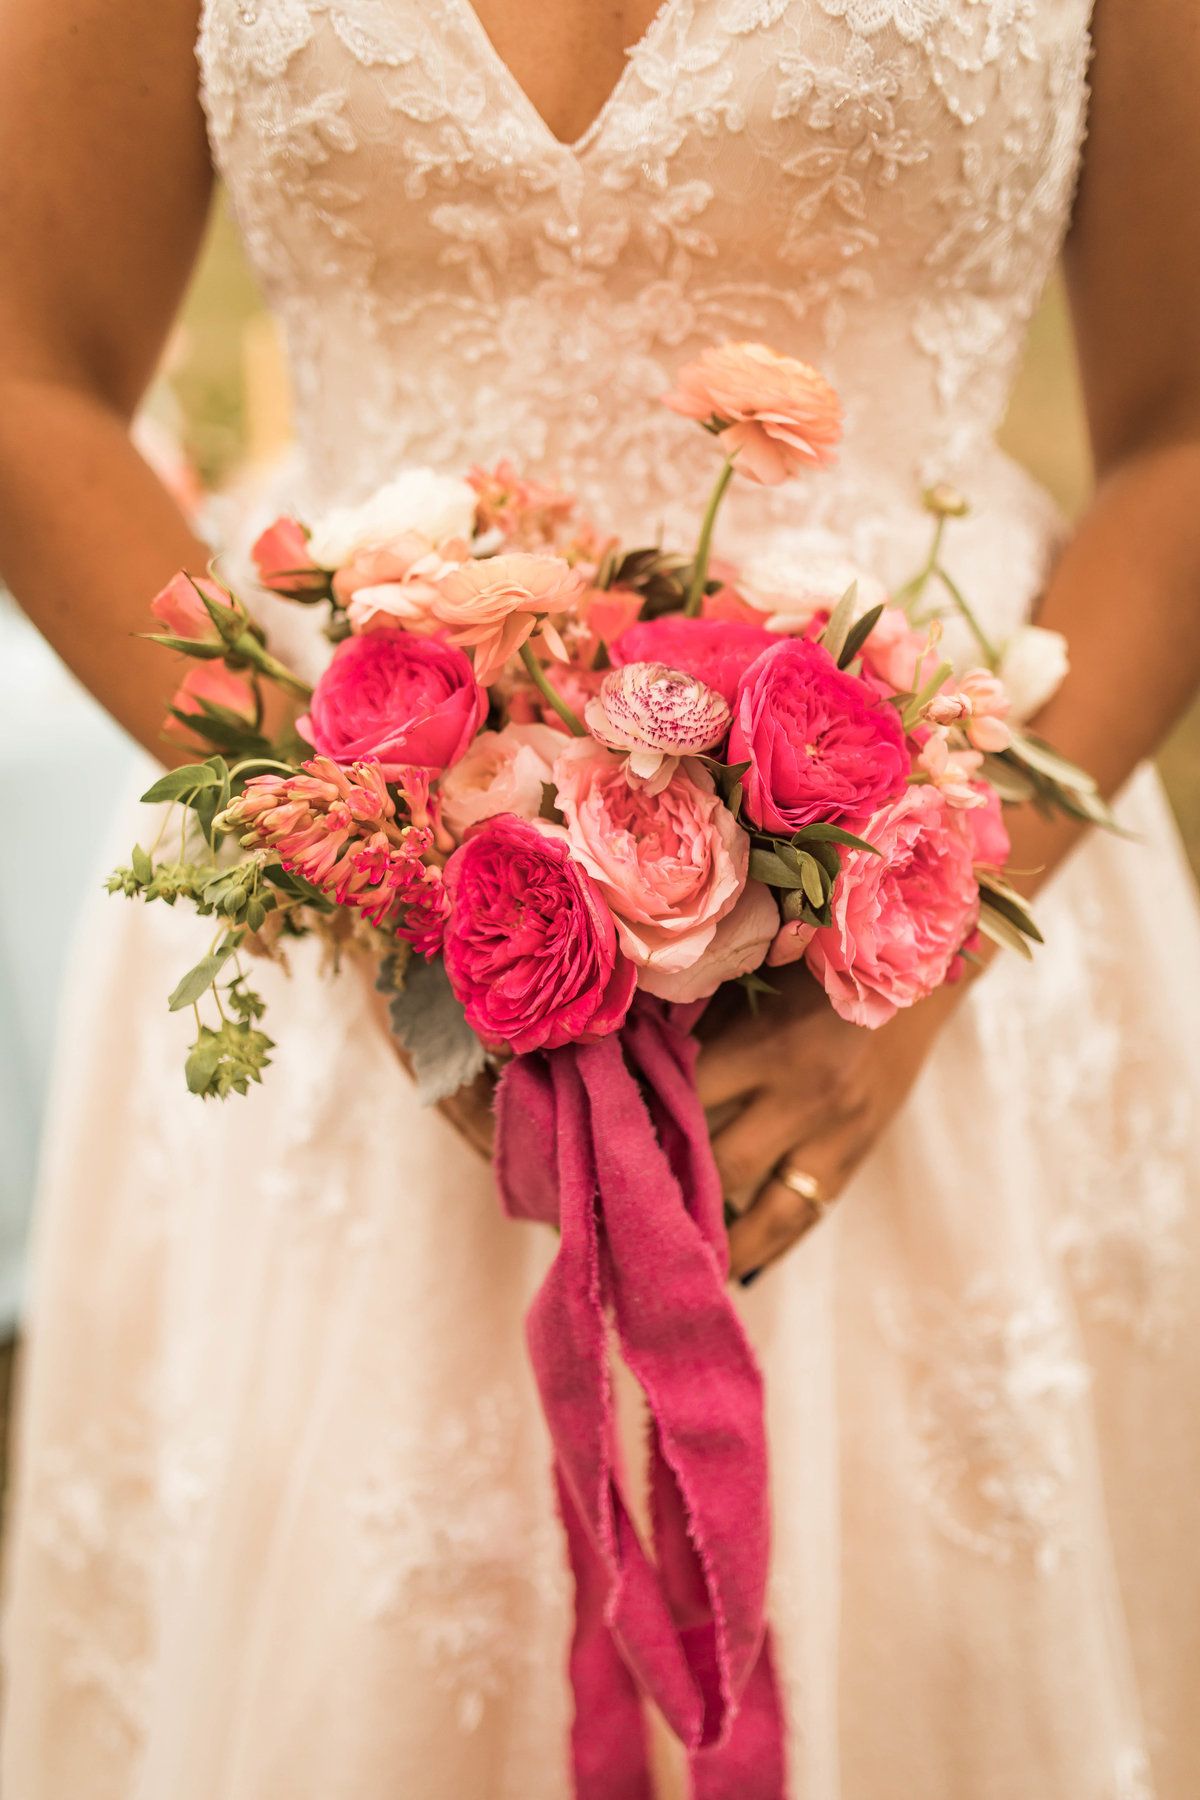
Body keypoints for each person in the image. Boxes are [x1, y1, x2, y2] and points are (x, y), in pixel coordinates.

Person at [1, 0, 1199, 1794]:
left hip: (921, 1006)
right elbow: (24, 365)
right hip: (342, 1012)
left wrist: (929, 937)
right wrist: (367, 864)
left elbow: (1186, 429)